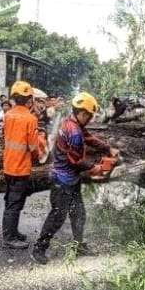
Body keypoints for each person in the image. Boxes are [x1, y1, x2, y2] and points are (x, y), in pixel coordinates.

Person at [31, 92, 119, 265]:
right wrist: (96, 167)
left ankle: (78, 245)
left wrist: (108, 149)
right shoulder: (74, 132)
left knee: (79, 213)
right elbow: (75, 161)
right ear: (83, 113)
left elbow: (90, 138)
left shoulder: (71, 122)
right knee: (57, 216)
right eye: (90, 115)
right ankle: (39, 249)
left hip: (71, 179)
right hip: (62, 181)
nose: (91, 118)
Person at [1, 81, 42, 249]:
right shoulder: (30, 119)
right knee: (15, 203)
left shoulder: (8, 115)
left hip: (9, 165)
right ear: (29, 99)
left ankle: (12, 232)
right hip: (20, 167)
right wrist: (39, 157)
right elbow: (33, 147)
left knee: (10, 200)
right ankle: (9, 237)